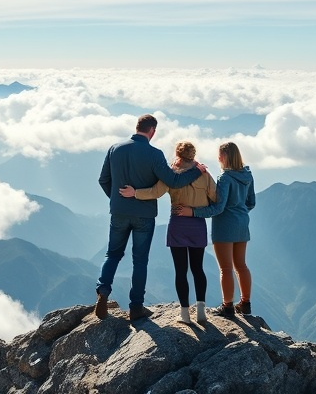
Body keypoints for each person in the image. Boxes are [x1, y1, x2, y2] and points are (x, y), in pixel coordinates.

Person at [96, 114, 205, 322]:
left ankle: (103, 289)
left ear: (137, 127)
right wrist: (196, 172)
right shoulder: (154, 154)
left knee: (113, 254)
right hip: (144, 215)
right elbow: (173, 180)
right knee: (140, 261)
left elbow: (103, 180)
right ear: (152, 131)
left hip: (119, 212)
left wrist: (117, 200)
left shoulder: (114, 149)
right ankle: (136, 307)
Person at [120, 141, 217, 325]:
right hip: (197, 224)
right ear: (193, 155)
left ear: (178, 155)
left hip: (178, 224)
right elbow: (216, 198)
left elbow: (154, 192)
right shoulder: (205, 175)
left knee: (180, 271)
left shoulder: (171, 174)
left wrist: (134, 193)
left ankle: (185, 314)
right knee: (198, 268)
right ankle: (202, 310)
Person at [176, 142, 255, 318]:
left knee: (226, 268)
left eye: (220, 155)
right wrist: (239, 214)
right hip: (242, 224)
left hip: (224, 227)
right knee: (241, 265)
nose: (218, 158)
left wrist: (193, 212)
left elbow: (218, 208)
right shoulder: (247, 176)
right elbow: (251, 203)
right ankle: (245, 303)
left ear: (225, 156)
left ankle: (227, 307)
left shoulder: (225, 178)